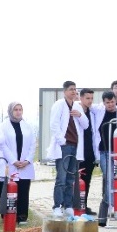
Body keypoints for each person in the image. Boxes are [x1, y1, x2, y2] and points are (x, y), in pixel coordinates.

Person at [47, 81, 89, 218]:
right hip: (64, 146)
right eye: (71, 89)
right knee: (61, 178)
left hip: (75, 146)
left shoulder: (77, 106)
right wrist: (62, 141)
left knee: (71, 178)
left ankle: (68, 205)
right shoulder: (59, 104)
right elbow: (54, 124)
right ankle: (57, 206)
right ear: (64, 91)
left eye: (75, 89)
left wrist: (80, 115)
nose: (74, 92)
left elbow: (86, 125)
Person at [0, 102, 38, 222]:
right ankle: (10, 215)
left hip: (25, 165)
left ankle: (22, 215)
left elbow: (33, 144)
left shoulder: (27, 126)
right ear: (11, 111)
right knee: (10, 190)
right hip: (11, 164)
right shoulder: (4, 126)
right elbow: (3, 145)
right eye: (15, 109)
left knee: (23, 190)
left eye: (20, 109)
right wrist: (13, 161)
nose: (18, 112)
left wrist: (27, 160)